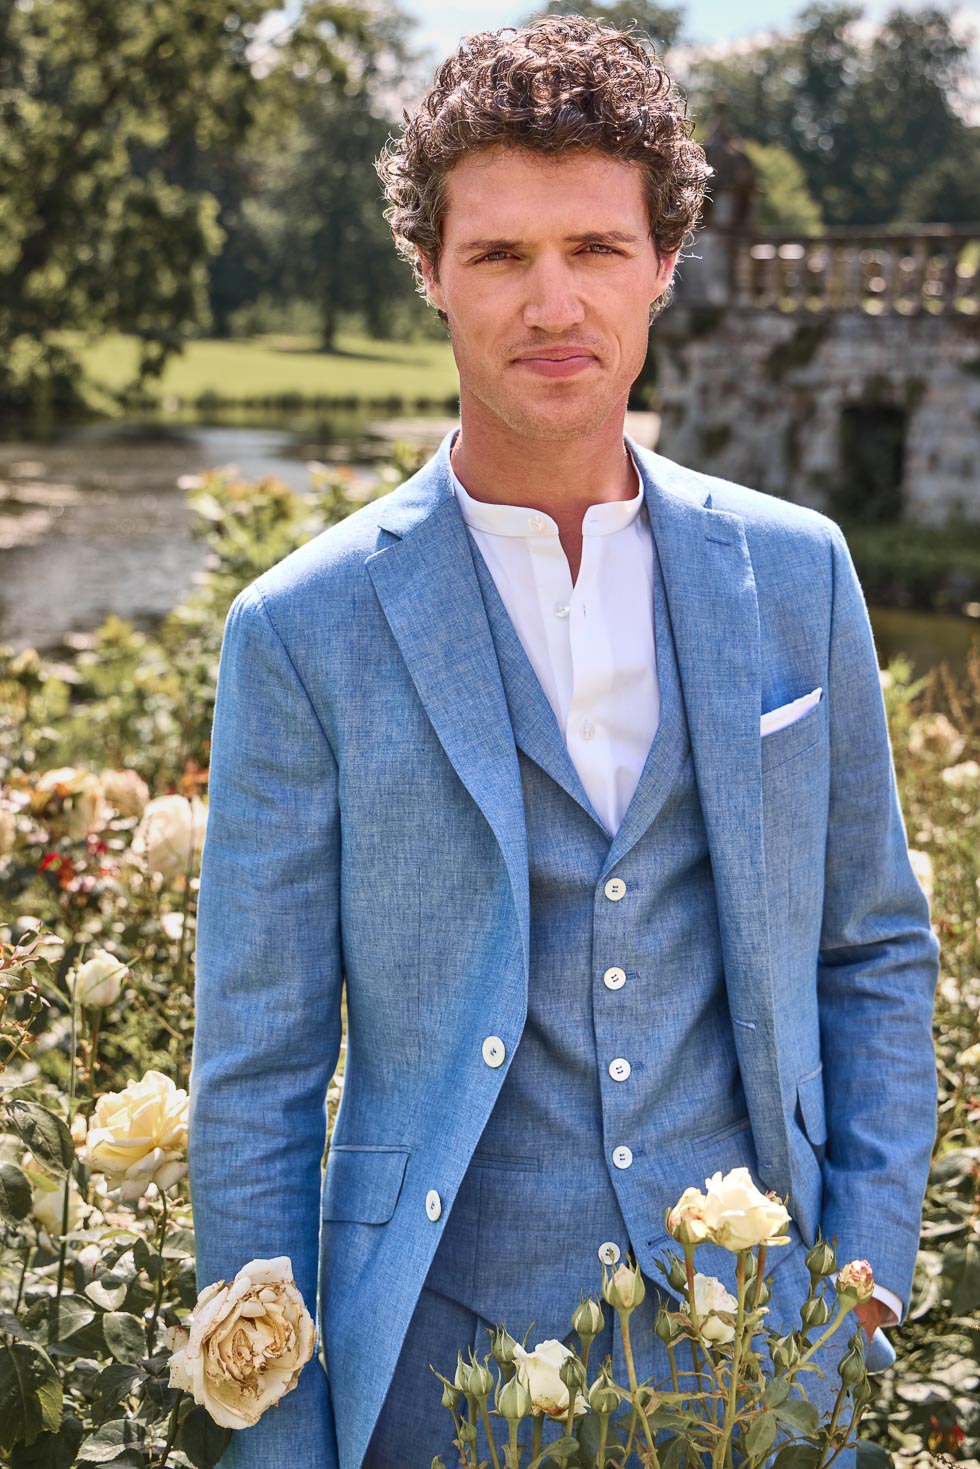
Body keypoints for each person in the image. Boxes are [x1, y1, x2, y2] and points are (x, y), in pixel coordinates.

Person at [188, 17, 940, 1469]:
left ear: (665, 262)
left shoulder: (800, 573)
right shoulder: (300, 628)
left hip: (761, 1376)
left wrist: (859, 1295)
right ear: (429, 270)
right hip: (433, 1382)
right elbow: (258, 1072)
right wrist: (279, 1442)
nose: (553, 303)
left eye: (596, 248)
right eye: (498, 255)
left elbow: (874, 951)